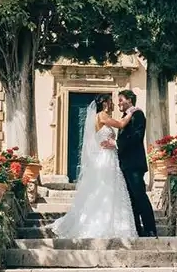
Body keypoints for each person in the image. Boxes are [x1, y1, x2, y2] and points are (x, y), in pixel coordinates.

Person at [50, 94, 138, 239]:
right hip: (106, 158)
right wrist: (131, 112)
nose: (113, 104)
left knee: (110, 189)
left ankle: (114, 222)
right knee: (107, 188)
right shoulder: (102, 115)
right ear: (104, 103)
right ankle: (105, 223)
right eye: (110, 102)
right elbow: (121, 124)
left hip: (109, 156)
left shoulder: (99, 117)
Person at [111, 89, 157, 238]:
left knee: (140, 196)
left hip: (134, 163)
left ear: (129, 100)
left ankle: (150, 229)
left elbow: (137, 136)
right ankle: (137, 229)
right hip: (125, 164)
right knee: (131, 198)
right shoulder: (124, 117)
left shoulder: (137, 114)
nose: (119, 103)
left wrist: (117, 143)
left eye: (121, 100)